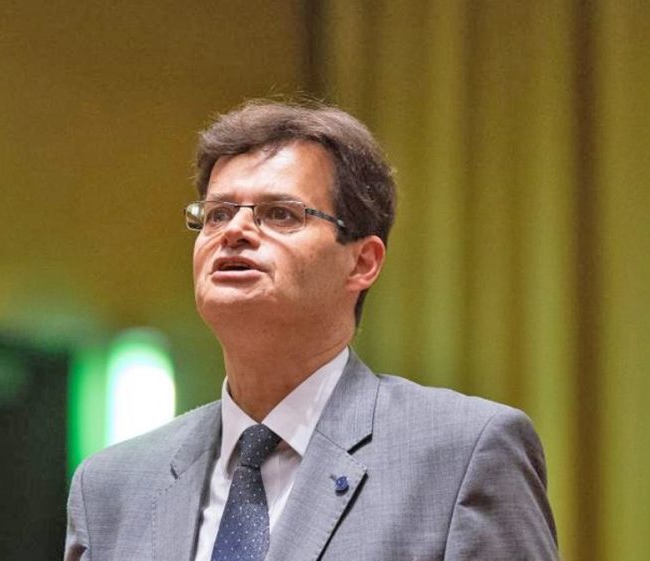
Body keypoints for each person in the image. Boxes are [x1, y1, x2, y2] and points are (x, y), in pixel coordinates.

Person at [63, 100, 559, 561]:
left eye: (280, 214)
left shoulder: (462, 454)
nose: (234, 231)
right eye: (217, 214)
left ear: (362, 262)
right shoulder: (111, 487)